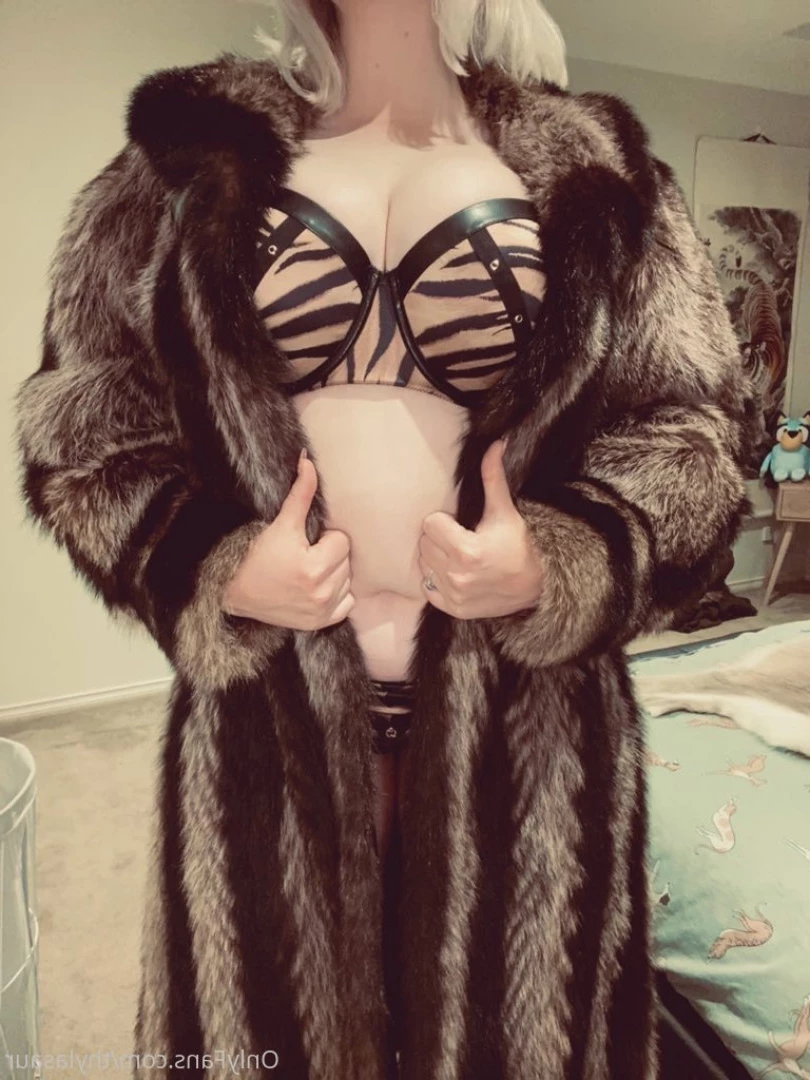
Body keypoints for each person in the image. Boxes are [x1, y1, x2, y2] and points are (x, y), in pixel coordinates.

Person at [13, 1, 758, 1077]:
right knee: (271, 1038)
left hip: (530, 729)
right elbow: (83, 431)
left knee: (516, 1042)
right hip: (269, 716)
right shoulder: (180, 160)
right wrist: (217, 568)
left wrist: (564, 558)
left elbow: (694, 429)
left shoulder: (604, 171)